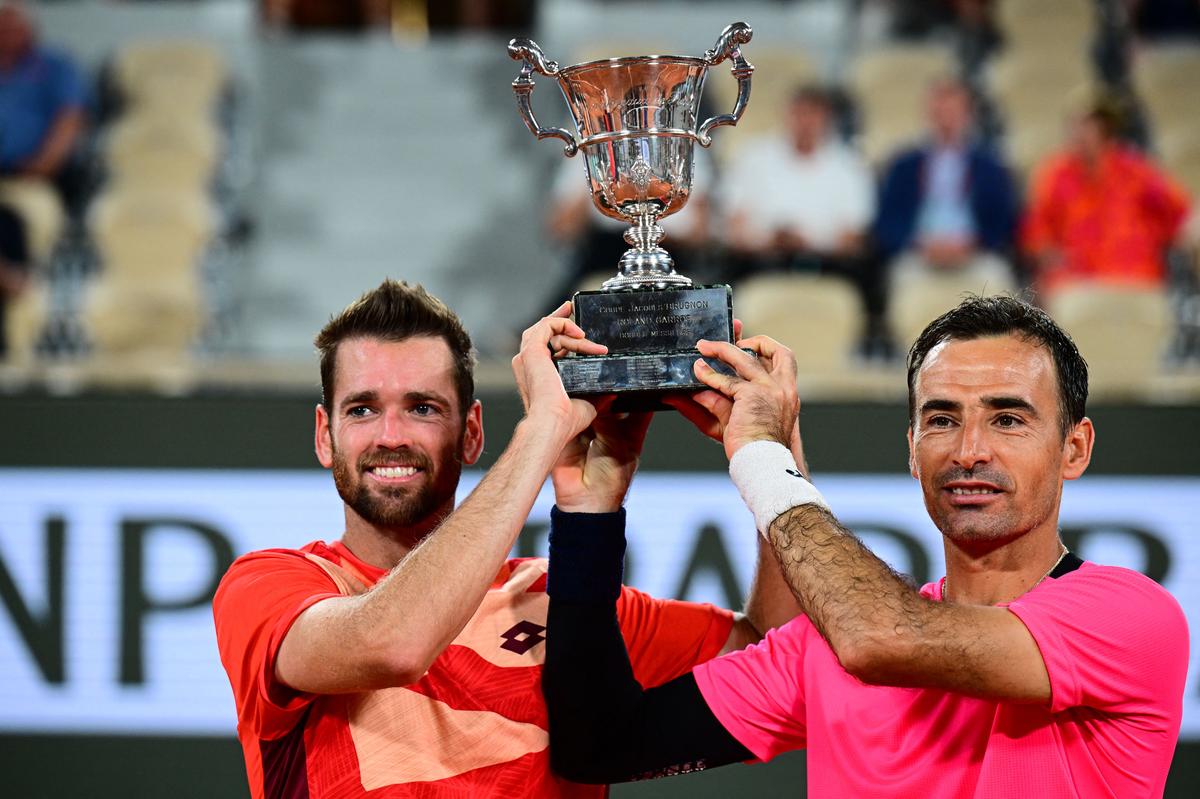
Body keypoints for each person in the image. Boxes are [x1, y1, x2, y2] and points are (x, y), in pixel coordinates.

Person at [542, 295, 1189, 796]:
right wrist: (587, 508)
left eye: (1008, 418)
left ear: (1074, 448)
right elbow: (599, 745)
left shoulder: (1132, 616)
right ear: (911, 448)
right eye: (941, 418)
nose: (969, 451)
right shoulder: (825, 643)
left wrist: (763, 456)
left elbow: (881, 635)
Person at [212, 279, 796, 798]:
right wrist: (544, 428)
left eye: (422, 408)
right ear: (325, 435)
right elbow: (392, 644)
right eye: (362, 410)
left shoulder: (560, 603)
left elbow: (781, 656)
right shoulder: (270, 585)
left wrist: (772, 450)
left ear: (471, 435)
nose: (390, 435)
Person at [720, 85, 881, 342]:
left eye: (813, 115)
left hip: (827, 264)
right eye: (799, 114)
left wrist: (808, 242)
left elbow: (854, 238)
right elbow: (735, 227)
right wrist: (769, 241)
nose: (805, 123)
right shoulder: (753, 158)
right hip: (762, 261)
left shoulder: (848, 165)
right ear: (786, 115)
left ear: (826, 119)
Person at [1022, 99, 1191, 300]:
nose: (1085, 133)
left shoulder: (1135, 170)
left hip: (1135, 276)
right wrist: (1050, 257)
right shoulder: (1055, 174)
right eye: (1080, 125)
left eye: (1093, 125)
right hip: (1079, 282)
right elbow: (1036, 231)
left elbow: (1178, 210)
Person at [873, 77, 1019, 293]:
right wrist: (919, 243)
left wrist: (972, 243)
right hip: (920, 254)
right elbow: (887, 222)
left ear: (968, 115)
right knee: (903, 281)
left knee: (998, 281)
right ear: (928, 115)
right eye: (939, 113)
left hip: (974, 254)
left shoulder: (990, 166)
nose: (945, 121)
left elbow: (1004, 220)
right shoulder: (904, 166)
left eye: (953, 113)